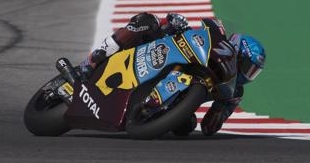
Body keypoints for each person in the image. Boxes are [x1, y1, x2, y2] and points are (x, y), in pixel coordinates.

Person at [80, 12, 266, 137]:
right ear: (237, 52)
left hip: (173, 101)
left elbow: (209, 128)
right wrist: (174, 24)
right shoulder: (213, 44)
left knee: (187, 127)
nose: (247, 74)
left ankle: (151, 110)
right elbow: (181, 25)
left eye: (253, 72)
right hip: (152, 53)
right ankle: (91, 61)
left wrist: (220, 111)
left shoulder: (234, 92)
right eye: (247, 66)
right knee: (146, 21)